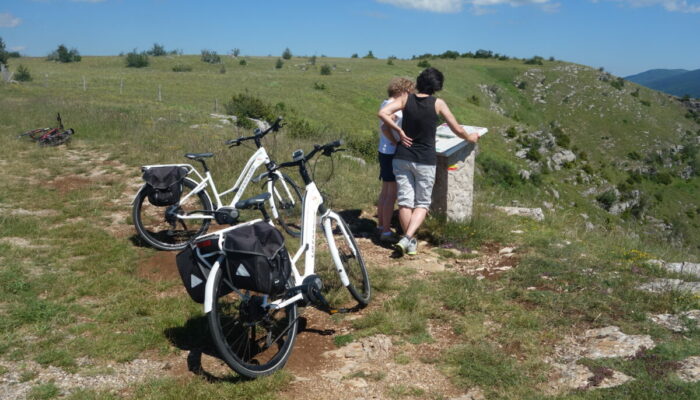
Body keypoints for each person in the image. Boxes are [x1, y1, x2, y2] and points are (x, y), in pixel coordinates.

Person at [378, 67, 479, 256]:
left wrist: (399, 132)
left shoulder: (405, 99)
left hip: (402, 157)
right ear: (437, 86)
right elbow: (456, 128)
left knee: (405, 202)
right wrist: (470, 137)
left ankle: (408, 240)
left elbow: (383, 113)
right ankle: (408, 238)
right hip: (425, 159)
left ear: (419, 82)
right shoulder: (438, 103)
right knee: (423, 203)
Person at [376, 77, 415, 243]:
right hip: (391, 151)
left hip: (384, 150)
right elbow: (385, 127)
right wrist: (396, 141)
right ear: (402, 91)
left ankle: (380, 224)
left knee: (386, 191)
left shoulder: (385, 103)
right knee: (391, 193)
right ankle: (386, 230)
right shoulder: (394, 108)